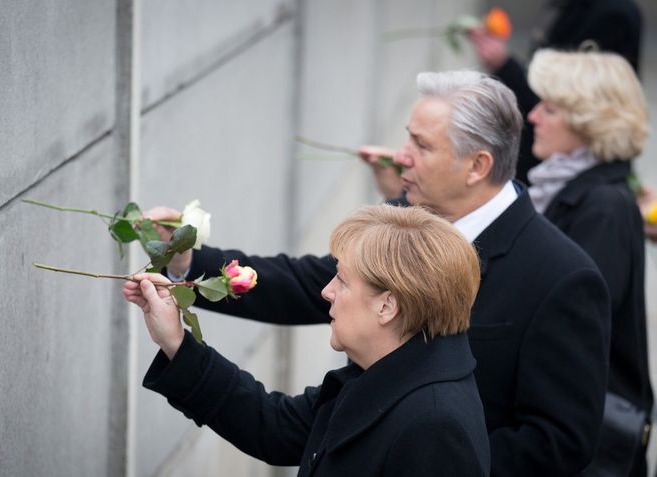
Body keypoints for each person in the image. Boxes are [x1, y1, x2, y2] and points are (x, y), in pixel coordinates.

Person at [139, 70, 611, 476]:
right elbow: (304, 291)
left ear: (477, 166)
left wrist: (423, 454)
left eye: (421, 145)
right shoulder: (405, 228)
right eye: (408, 137)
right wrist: (187, 264)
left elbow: (559, 444)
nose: (400, 155)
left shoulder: (563, 277)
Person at [125, 205, 491, 476]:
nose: (326, 291)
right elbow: (275, 426)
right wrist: (176, 341)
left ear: (388, 306)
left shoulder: (434, 427)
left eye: (342, 281)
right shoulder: (389, 370)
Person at [525, 48, 652, 476]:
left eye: (549, 108)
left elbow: (572, 326)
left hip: (583, 438)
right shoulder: (571, 188)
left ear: (587, 121)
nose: (533, 117)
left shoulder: (603, 207)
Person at [469, 0, 642, 185]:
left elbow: (579, 102)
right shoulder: (571, 7)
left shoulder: (612, 13)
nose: (535, 116)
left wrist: (504, 65)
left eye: (548, 109)